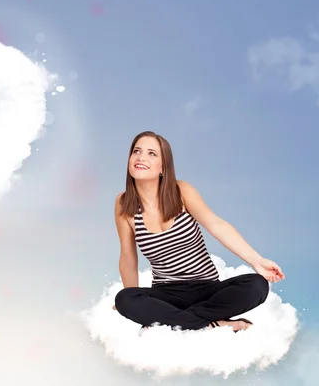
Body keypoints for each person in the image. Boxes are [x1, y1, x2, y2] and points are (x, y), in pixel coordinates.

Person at [112, 131, 285, 332]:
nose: (141, 157)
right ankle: (214, 324)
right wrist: (131, 297)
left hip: (207, 290)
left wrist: (257, 260)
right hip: (166, 295)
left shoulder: (181, 191)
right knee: (125, 299)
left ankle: (178, 322)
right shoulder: (123, 204)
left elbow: (216, 225)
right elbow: (128, 257)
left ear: (163, 166)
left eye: (152, 153)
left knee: (257, 285)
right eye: (137, 151)